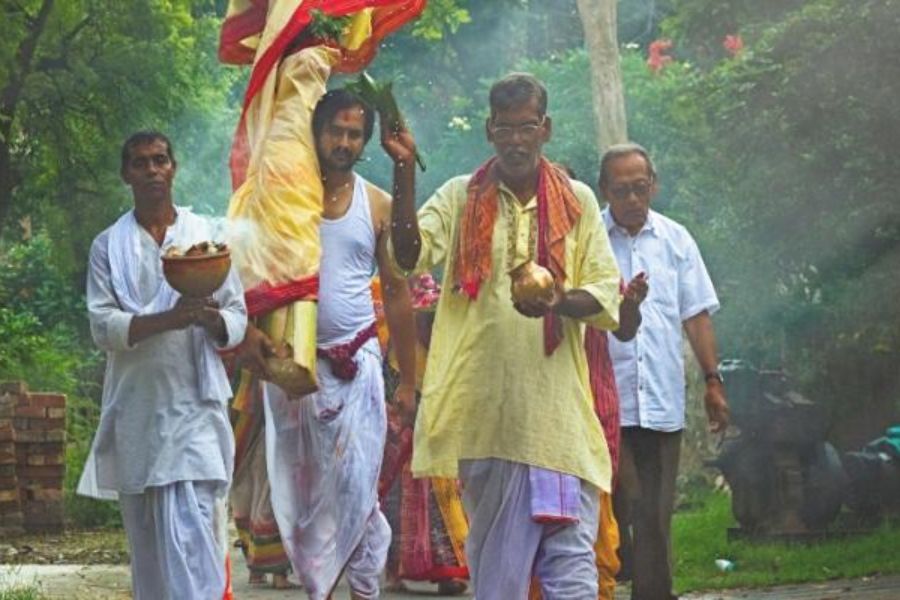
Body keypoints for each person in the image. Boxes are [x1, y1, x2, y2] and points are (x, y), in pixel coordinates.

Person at [384, 72, 623, 599]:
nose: (516, 140)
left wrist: (558, 298)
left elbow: (606, 294)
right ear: (490, 131)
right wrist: (403, 169)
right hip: (486, 423)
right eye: (506, 129)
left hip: (558, 422)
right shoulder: (458, 197)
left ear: (546, 129)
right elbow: (406, 256)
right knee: (499, 580)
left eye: (528, 127)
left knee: (573, 574)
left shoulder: (578, 201)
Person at [239, 89, 417, 600]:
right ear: (314, 134)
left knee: (357, 491)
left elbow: (401, 286)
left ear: (366, 141)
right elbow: (252, 274)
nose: (343, 142)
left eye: (354, 134)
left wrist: (407, 380)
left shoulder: (377, 201)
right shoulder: (283, 199)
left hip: (357, 367)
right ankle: (320, 590)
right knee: (300, 501)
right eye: (334, 131)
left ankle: (363, 592)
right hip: (292, 370)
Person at [78, 131, 248, 599]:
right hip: (138, 412)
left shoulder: (205, 238)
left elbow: (237, 316)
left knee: (193, 536)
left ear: (173, 167)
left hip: (196, 406)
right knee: (150, 550)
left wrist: (210, 320)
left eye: (159, 161)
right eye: (140, 163)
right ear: (126, 174)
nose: (151, 170)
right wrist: (170, 319)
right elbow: (103, 327)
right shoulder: (107, 246)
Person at [599, 142, 729, 600]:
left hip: (661, 398)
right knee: (623, 502)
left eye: (640, 188)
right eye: (622, 190)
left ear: (652, 185)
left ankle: (654, 593)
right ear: (604, 190)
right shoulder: (589, 239)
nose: (633, 199)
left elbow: (696, 315)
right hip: (605, 399)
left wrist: (713, 382)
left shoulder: (676, 240)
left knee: (655, 511)